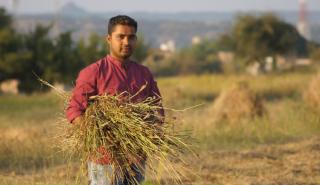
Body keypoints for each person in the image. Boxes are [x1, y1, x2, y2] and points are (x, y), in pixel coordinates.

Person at [65, 15, 164, 185]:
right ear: (109, 39)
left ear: (136, 40)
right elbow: (74, 110)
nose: (126, 42)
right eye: (121, 37)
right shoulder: (93, 72)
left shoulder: (144, 73)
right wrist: (97, 134)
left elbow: (157, 110)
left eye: (131, 37)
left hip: (136, 158)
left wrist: (152, 130)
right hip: (104, 159)